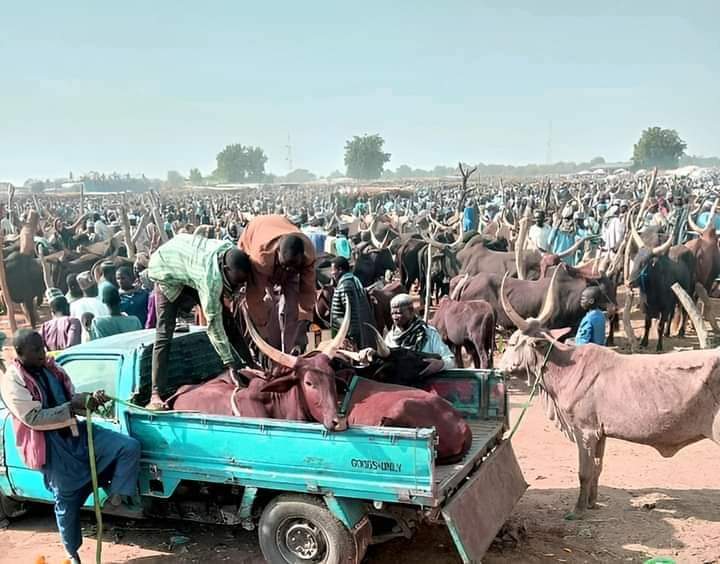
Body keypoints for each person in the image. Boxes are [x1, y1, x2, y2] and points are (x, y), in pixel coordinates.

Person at [0, 329, 141, 564]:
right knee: (67, 503)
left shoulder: (53, 368)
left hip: (77, 431)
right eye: (36, 350)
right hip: (51, 445)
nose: (42, 353)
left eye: (42, 347)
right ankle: (72, 553)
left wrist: (91, 399)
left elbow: (73, 396)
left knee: (127, 447)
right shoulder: (12, 380)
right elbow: (33, 418)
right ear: (20, 353)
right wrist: (71, 406)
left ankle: (116, 496)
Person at [146, 233, 253, 409]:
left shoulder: (228, 249)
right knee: (165, 333)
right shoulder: (210, 281)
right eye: (234, 282)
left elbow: (228, 324)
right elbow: (214, 326)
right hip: (166, 268)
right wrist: (230, 364)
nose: (236, 288)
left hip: (188, 263)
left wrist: (249, 365)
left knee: (229, 321)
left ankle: (250, 363)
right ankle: (155, 393)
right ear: (224, 268)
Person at [238, 214, 317, 353]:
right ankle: (267, 348)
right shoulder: (261, 258)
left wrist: (304, 323)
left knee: (291, 308)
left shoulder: (308, 254)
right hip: (255, 236)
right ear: (278, 252)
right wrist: (264, 338)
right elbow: (255, 298)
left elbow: (308, 291)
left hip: (281, 249)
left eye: (293, 266)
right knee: (267, 305)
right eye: (285, 265)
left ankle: (289, 351)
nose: (288, 270)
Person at [384, 294, 455, 375]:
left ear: (411, 311)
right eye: (392, 313)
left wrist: (440, 364)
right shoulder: (390, 338)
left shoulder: (429, 333)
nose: (395, 317)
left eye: (399, 313)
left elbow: (451, 360)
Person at [329, 257, 375, 349]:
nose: (332, 273)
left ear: (340, 270)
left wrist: (350, 335)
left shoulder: (345, 286)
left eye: (333, 270)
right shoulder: (354, 281)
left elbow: (352, 314)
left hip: (349, 337)